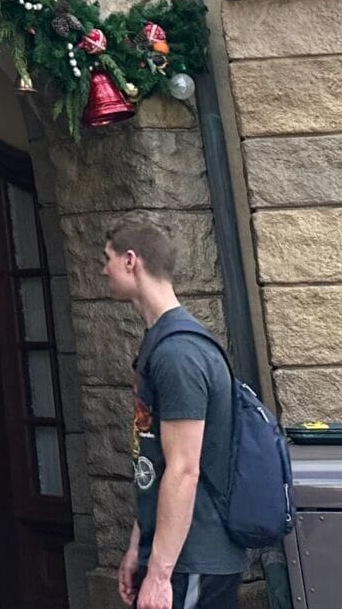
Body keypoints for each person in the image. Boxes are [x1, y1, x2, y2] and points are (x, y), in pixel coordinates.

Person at [104, 222, 247, 609]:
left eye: (108, 259)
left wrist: (161, 574)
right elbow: (154, 460)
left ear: (131, 261)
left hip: (194, 559)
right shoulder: (160, 342)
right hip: (173, 556)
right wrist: (139, 546)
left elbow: (185, 468)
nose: (103, 271)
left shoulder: (179, 354)